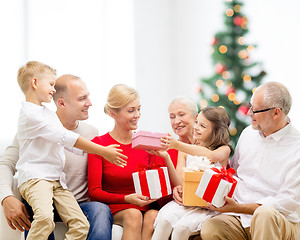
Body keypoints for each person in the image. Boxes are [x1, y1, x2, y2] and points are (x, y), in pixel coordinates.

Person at [14, 61, 127, 240]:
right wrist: (103, 150)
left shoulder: (47, 114)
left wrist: (98, 153)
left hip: (57, 182)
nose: (52, 89)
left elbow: (66, 144)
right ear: (35, 83)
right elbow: (65, 137)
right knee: (44, 218)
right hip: (37, 180)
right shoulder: (31, 116)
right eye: (50, 84)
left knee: (81, 225)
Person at [199, 82, 300, 240]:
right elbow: (233, 172)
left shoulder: (297, 147)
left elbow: (286, 202)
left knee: (264, 214)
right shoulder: (248, 133)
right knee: (212, 227)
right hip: (240, 216)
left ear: (276, 113)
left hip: (278, 219)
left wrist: (240, 207)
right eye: (250, 106)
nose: (249, 113)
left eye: (255, 109)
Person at [88, 84, 166, 240]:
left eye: (139, 109)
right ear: (113, 113)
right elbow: (94, 192)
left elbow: (158, 181)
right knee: (133, 215)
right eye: (131, 110)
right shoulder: (99, 145)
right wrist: (126, 199)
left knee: (153, 216)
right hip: (118, 206)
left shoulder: (146, 143)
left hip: (145, 206)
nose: (137, 115)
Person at [151, 106, 231, 240]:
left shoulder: (223, 150)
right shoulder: (185, 150)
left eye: (202, 126)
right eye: (196, 122)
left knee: (181, 230)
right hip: (186, 203)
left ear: (215, 131)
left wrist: (176, 144)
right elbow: (179, 182)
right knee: (164, 222)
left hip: (207, 207)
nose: (196, 127)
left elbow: (210, 156)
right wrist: (166, 157)